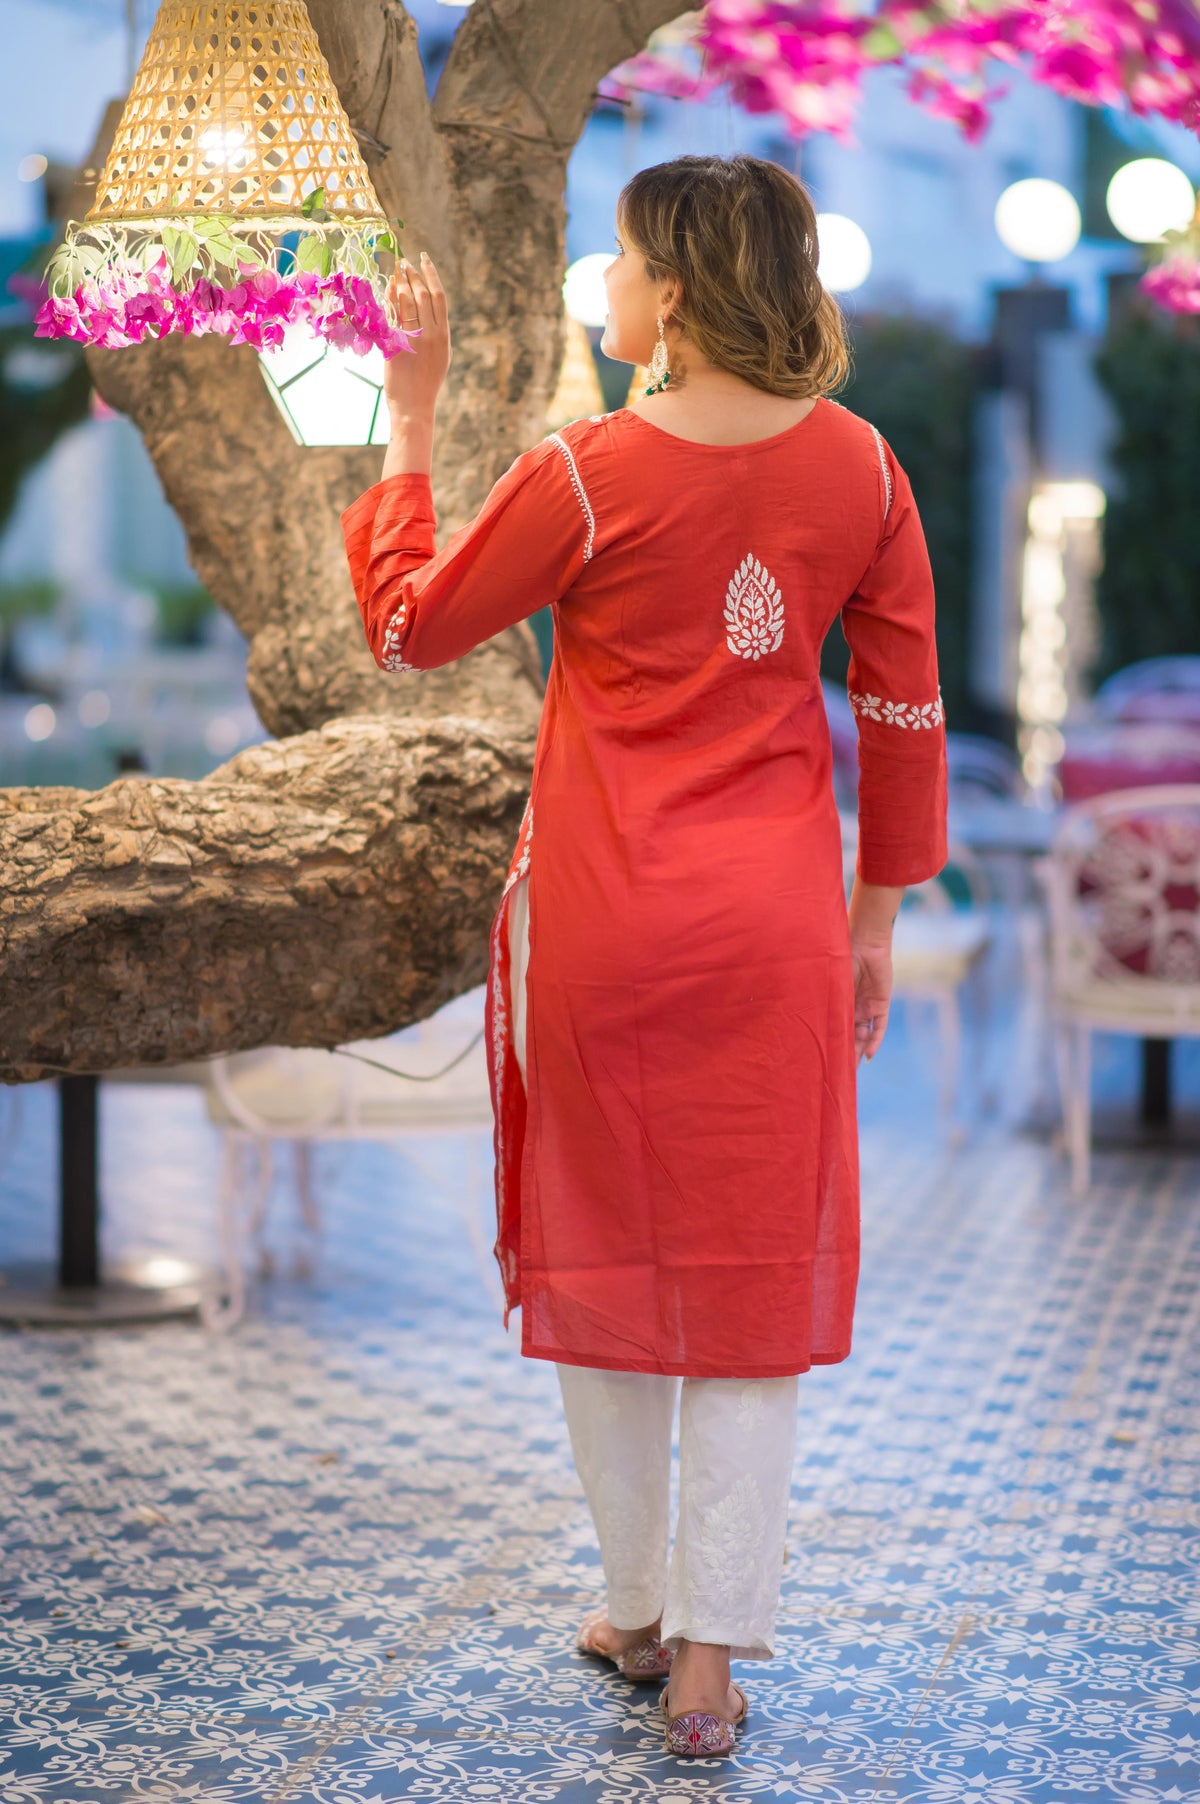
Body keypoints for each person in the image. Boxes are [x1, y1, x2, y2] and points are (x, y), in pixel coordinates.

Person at [342, 153, 947, 1761]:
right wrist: (875, 921)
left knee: (609, 1250)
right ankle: (710, 1660)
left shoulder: (587, 473)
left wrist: (409, 415)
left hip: (606, 928)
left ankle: (638, 1607)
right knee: (753, 1271)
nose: (601, 286)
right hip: (775, 933)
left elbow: (409, 629)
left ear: (672, 291)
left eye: (617, 261)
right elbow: (903, 713)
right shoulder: (865, 469)